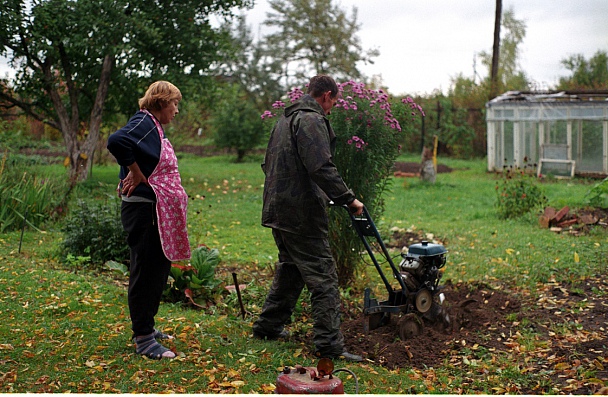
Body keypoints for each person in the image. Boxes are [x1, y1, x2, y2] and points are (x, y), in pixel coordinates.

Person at [252, 75, 364, 362]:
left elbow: (268, 164)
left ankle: (268, 326)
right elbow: (321, 166)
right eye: (333, 103)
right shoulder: (310, 120)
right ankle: (329, 345)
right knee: (324, 276)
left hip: (278, 208)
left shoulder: (284, 121)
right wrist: (348, 198)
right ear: (326, 95)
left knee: (291, 269)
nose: (332, 109)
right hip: (300, 212)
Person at [107, 81, 190, 360]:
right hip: (144, 212)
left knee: (158, 269)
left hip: (155, 211)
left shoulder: (152, 125)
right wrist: (136, 172)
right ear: (160, 102)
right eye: (174, 104)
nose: (176, 110)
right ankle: (143, 338)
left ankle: (147, 327)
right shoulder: (144, 121)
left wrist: (139, 169)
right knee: (146, 273)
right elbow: (116, 141)